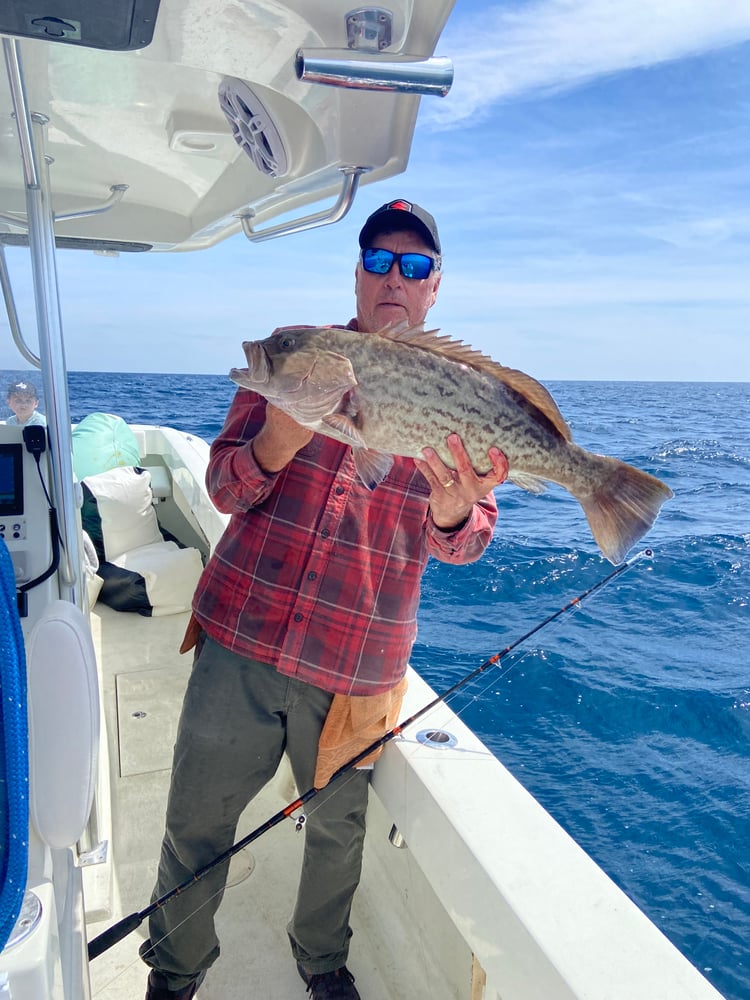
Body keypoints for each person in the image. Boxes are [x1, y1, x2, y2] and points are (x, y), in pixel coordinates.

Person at [141, 199, 509, 1000]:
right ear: (357, 271)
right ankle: (173, 973)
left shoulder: (464, 393)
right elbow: (223, 486)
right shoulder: (301, 356)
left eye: (414, 267)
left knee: (337, 834)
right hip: (242, 637)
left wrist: (452, 507)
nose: (394, 278)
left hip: (358, 665)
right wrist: (280, 434)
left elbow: (469, 538)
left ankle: (321, 962)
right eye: (378, 260)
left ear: (434, 288)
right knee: (196, 821)